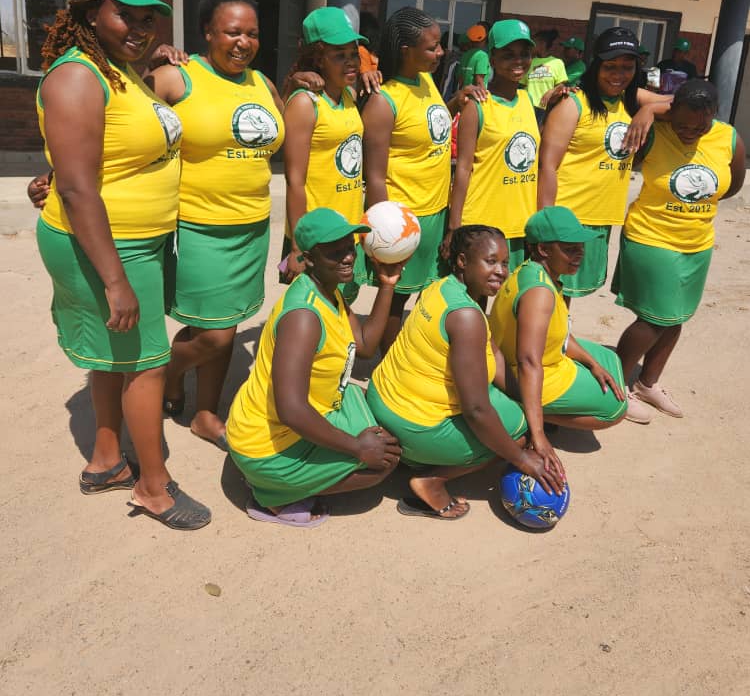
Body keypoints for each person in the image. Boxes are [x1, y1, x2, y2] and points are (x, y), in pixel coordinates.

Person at [35, 0, 210, 530]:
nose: (138, 27)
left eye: (147, 18)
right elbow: (78, 187)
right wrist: (114, 280)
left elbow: (102, 151)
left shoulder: (117, 69)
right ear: (91, 12)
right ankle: (154, 488)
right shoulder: (77, 76)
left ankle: (106, 460)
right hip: (111, 247)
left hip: (137, 240)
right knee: (146, 365)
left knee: (116, 359)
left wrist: (154, 60)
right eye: (124, 15)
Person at [147, 0, 285, 450]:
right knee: (217, 334)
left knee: (223, 321)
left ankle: (205, 414)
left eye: (252, 33)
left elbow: (288, 127)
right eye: (232, 32)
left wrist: (305, 78)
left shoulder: (262, 83)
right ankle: (167, 374)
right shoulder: (178, 77)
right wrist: (150, 64)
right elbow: (121, 116)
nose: (243, 42)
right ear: (207, 32)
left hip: (252, 227)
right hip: (199, 227)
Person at [367, 225, 564, 520]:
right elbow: (476, 411)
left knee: (510, 410)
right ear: (462, 261)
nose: (501, 271)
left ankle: (415, 456)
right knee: (515, 432)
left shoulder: (440, 288)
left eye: (505, 263)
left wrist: (527, 399)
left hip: (383, 401)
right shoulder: (466, 316)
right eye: (491, 261)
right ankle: (431, 481)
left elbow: (493, 355)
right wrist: (523, 458)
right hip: (413, 422)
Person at [225, 209, 403, 527]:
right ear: (308, 259)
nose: (348, 257)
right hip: (265, 445)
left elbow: (364, 346)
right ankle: (273, 494)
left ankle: (291, 477)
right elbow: (291, 409)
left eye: (349, 247)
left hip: (298, 416)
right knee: (381, 464)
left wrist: (387, 285)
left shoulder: (328, 291)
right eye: (334, 252)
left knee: (382, 439)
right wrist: (357, 448)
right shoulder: (304, 317)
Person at [612, 80, 746, 423]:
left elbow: (733, 186)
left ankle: (647, 383)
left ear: (714, 115)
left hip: (697, 242)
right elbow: (626, 93)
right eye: (682, 124)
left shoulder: (729, 138)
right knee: (654, 318)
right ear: (670, 113)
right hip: (651, 236)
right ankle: (615, 386)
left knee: (677, 318)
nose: (688, 132)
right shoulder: (654, 131)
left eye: (699, 127)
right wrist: (649, 109)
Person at [361, 7, 485, 351]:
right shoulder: (383, 101)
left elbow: (428, 127)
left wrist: (455, 103)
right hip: (404, 217)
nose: (441, 53)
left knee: (428, 290)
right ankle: (387, 363)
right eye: (432, 48)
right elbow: (375, 176)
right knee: (397, 295)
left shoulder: (426, 81)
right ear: (406, 51)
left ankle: (411, 355)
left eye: (440, 45)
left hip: (436, 210)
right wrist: (386, 231)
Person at [538, 27, 671, 300]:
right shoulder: (573, 102)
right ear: (596, 64)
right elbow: (547, 166)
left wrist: (650, 109)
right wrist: (546, 224)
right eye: (610, 66)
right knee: (548, 292)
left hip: (600, 215)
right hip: (568, 214)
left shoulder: (630, 99)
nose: (618, 74)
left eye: (627, 67)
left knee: (565, 296)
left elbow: (689, 103)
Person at [489, 207, 627, 468]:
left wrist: (591, 363)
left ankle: (541, 408)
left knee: (606, 359)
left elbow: (559, 331)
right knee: (615, 410)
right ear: (543, 249)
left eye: (581, 247)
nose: (579, 255)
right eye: (570, 249)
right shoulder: (540, 293)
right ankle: (525, 412)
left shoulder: (531, 270)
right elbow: (529, 362)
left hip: (531, 358)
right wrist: (538, 433)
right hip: (524, 372)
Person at [281, 7, 367, 299]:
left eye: (354, 53)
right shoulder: (305, 103)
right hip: (318, 237)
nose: (351, 61)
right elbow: (294, 180)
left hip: (347, 227)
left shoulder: (349, 95)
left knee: (342, 307)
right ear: (318, 59)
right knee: (314, 310)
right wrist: (298, 248)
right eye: (339, 55)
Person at [446, 19, 539, 273]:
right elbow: (463, 169)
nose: (518, 61)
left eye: (524, 54)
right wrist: (454, 227)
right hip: (482, 225)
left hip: (519, 225)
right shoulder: (477, 106)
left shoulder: (528, 100)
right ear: (492, 59)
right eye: (508, 55)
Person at [521, 28, 568, 113]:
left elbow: (561, 85)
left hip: (544, 108)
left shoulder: (557, 62)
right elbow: (522, 85)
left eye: (534, 43)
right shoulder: (530, 62)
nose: (530, 46)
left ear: (542, 44)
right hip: (526, 106)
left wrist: (551, 91)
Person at [458, 24, 490, 88]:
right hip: (477, 94)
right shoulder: (482, 56)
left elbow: (460, 80)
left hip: (465, 92)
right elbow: (479, 82)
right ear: (484, 39)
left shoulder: (465, 55)